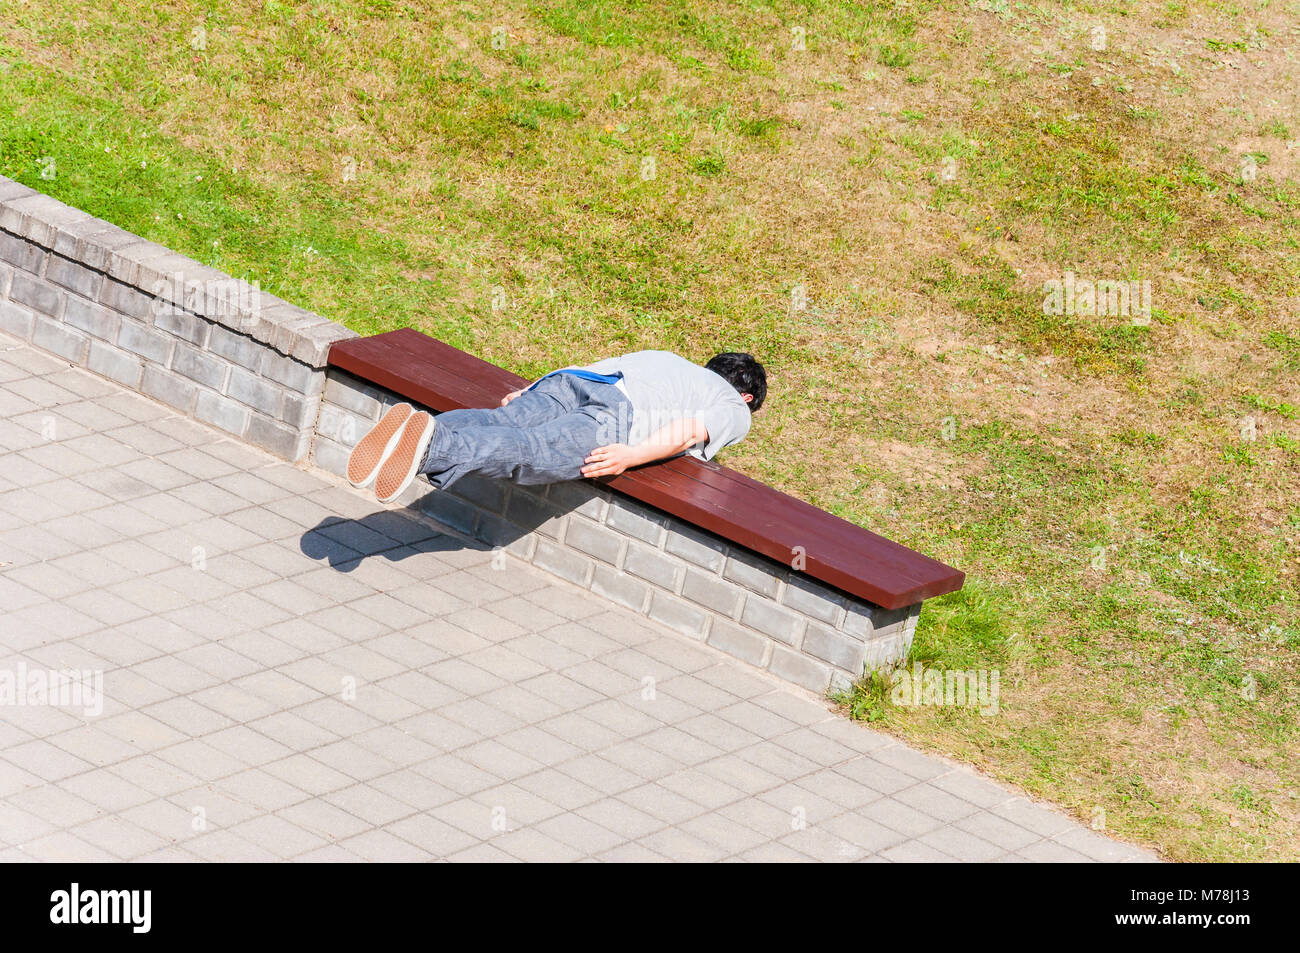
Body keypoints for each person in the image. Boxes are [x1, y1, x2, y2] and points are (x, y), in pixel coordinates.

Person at [346, 350, 767, 503]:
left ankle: (423, 430)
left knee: (502, 422)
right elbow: (693, 431)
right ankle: (430, 446)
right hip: (618, 416)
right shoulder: (734, 405)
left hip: (573, 381)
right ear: (747, 396)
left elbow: (586, 369)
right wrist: (632, 455)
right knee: (533, 452)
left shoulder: (669, 359)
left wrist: (529, 389)